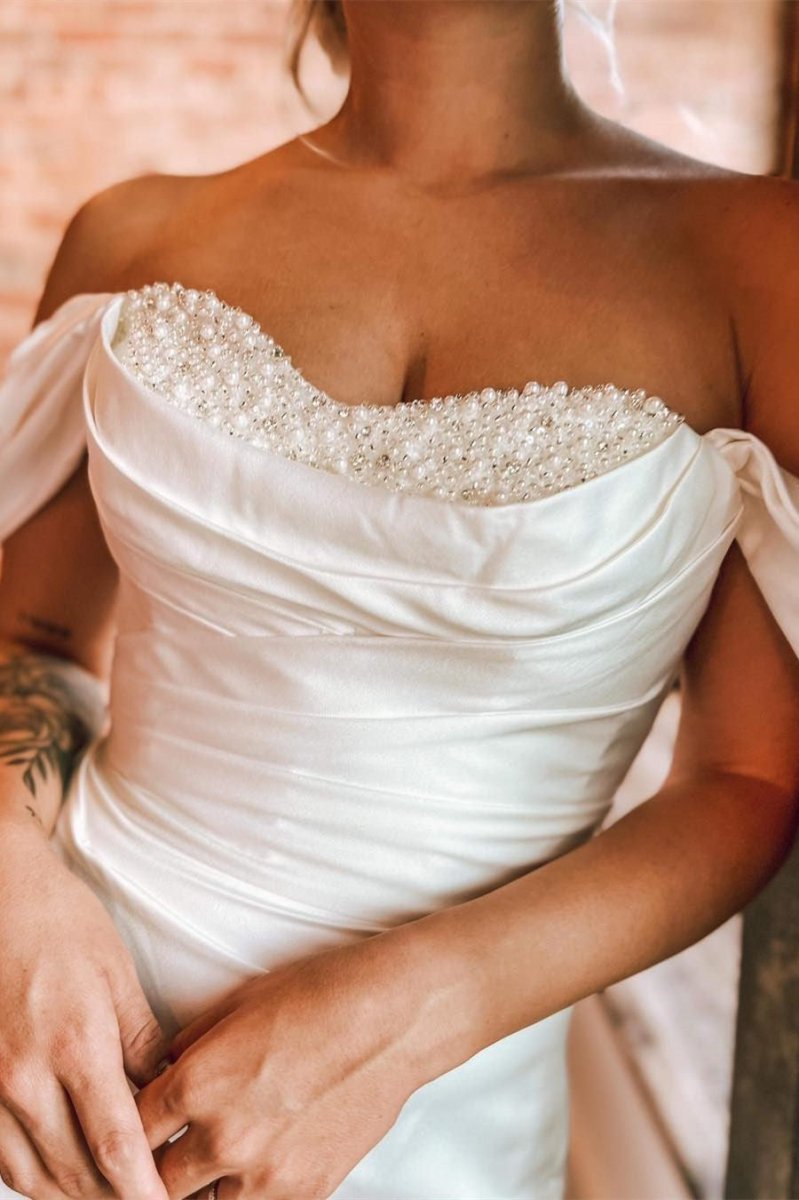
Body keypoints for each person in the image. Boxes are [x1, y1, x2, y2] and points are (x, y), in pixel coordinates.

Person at [1, 2, 799, 1198]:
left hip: (441, 1131)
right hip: (47, 1077)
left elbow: (747, 777)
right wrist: (10, 883)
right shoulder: (130, 235)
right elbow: (32, 637)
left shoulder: (755, 262)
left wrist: (415, 1011)